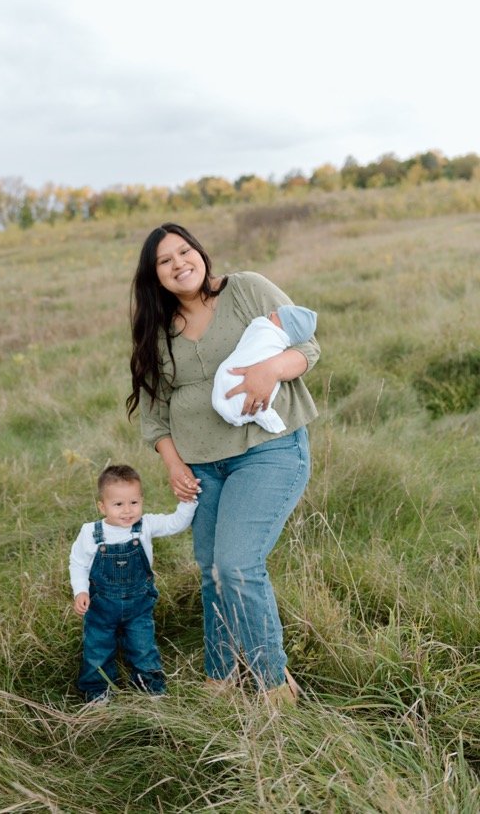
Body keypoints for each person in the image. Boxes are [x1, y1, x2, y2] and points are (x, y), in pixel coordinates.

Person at [126, 223, 318, 702]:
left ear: (201, 253)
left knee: (236, 564)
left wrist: (270, 369)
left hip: (267, 452)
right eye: (165, 261)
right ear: (156, 277)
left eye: (184, 251)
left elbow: (308, 344)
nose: (178, 264)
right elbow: (154, 410)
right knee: (211, 570)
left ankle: (274, 684)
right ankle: (221, 675)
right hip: (203, 466)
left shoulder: (247, 288)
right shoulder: (157, 329)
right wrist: (173, 465)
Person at [68, 465, 196, 703]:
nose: (127, 511)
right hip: (101, 607)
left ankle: (150, 688)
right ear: (102, 506)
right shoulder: (91, 532)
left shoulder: (145, 525)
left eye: (134, 503)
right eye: (118, 504)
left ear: (142, 501)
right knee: (97, 648)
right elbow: (78, 563)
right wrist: (81, 591)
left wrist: (188, 502)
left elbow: (175, 523)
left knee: (143, 647)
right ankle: (98, 691)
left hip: (139, 607)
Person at [211, 305, 318, 433]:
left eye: (278, 315)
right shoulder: (264, 330)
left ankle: (258, 411)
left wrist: (271, 368)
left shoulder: (269, 335)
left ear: (285, 328)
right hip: (231, 377)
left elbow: (263, 354)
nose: (272, 313)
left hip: (244, 380)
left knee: (238, 380)